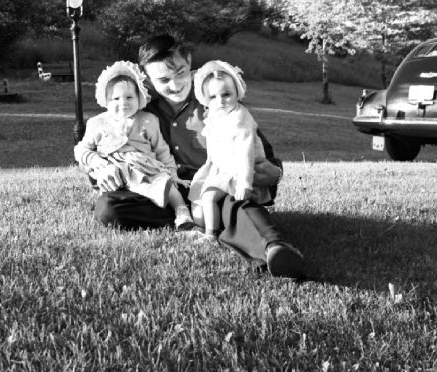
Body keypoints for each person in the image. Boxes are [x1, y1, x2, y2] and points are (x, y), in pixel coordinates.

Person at [89, 34, 307, 279]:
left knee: (235, 205)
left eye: (180, 73)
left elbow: (265, 161)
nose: (174, 85)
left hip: (214, 189)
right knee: (109, 207)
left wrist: (259, 175)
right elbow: (102, 145)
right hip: (167, 191)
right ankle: (193, 219)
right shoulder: (140, 110)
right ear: (148, 78)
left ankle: (274, 249)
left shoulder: (216, 97)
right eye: (163, 80)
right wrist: (100, 166)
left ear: (189, 60)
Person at [75, 61, 195, 231]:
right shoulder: (98, 123)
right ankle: (142, 208)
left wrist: (173, 174)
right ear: (106, 101)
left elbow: (162, 151)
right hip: (117, 173)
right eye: (116, 98)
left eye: (129, 97)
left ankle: (181, 210)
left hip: (146, 168)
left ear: (140, 98)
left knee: (164, 182)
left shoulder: (148, 120)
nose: (123, 102)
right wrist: (98, 163)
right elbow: (82, 149)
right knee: (110, 203)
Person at [188, 60, 270, 242]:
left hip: (239, 171)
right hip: (220, 167)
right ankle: (201, 226)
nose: (220, 101)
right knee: (198, 192)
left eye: (226, 94)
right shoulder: (216, 115)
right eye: (213, 97)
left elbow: (246, 154)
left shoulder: (239, 119)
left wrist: (245, 184)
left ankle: (211, 235)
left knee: (209, 196)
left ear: (237, 93)